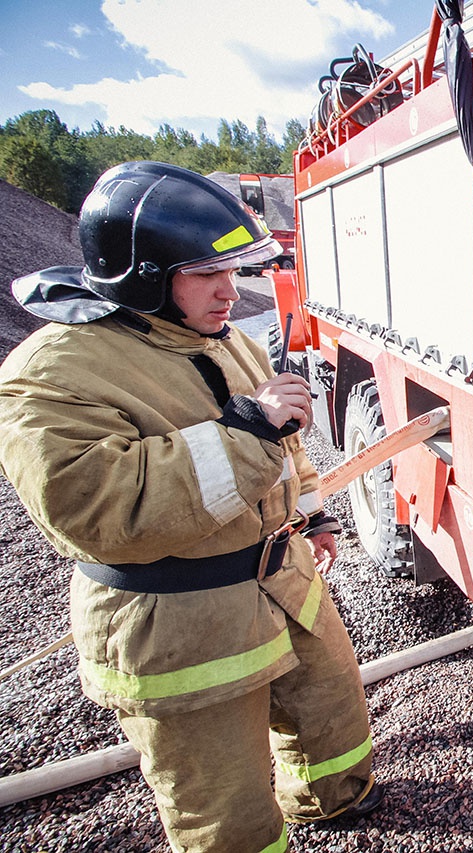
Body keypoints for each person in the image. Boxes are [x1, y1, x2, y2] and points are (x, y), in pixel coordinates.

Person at [0, 162, 382, 851]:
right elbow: (96, 505)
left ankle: (332, 800)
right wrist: (245, 434)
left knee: (332, 712)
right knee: (224, 803)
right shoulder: (49, 374)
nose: (231, 291)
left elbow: (283, 433)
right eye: (208, 272)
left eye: (234, 271)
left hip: (280, 579)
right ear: (144, 273)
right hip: (180, 623)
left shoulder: (221, 336)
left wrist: (314, 512)